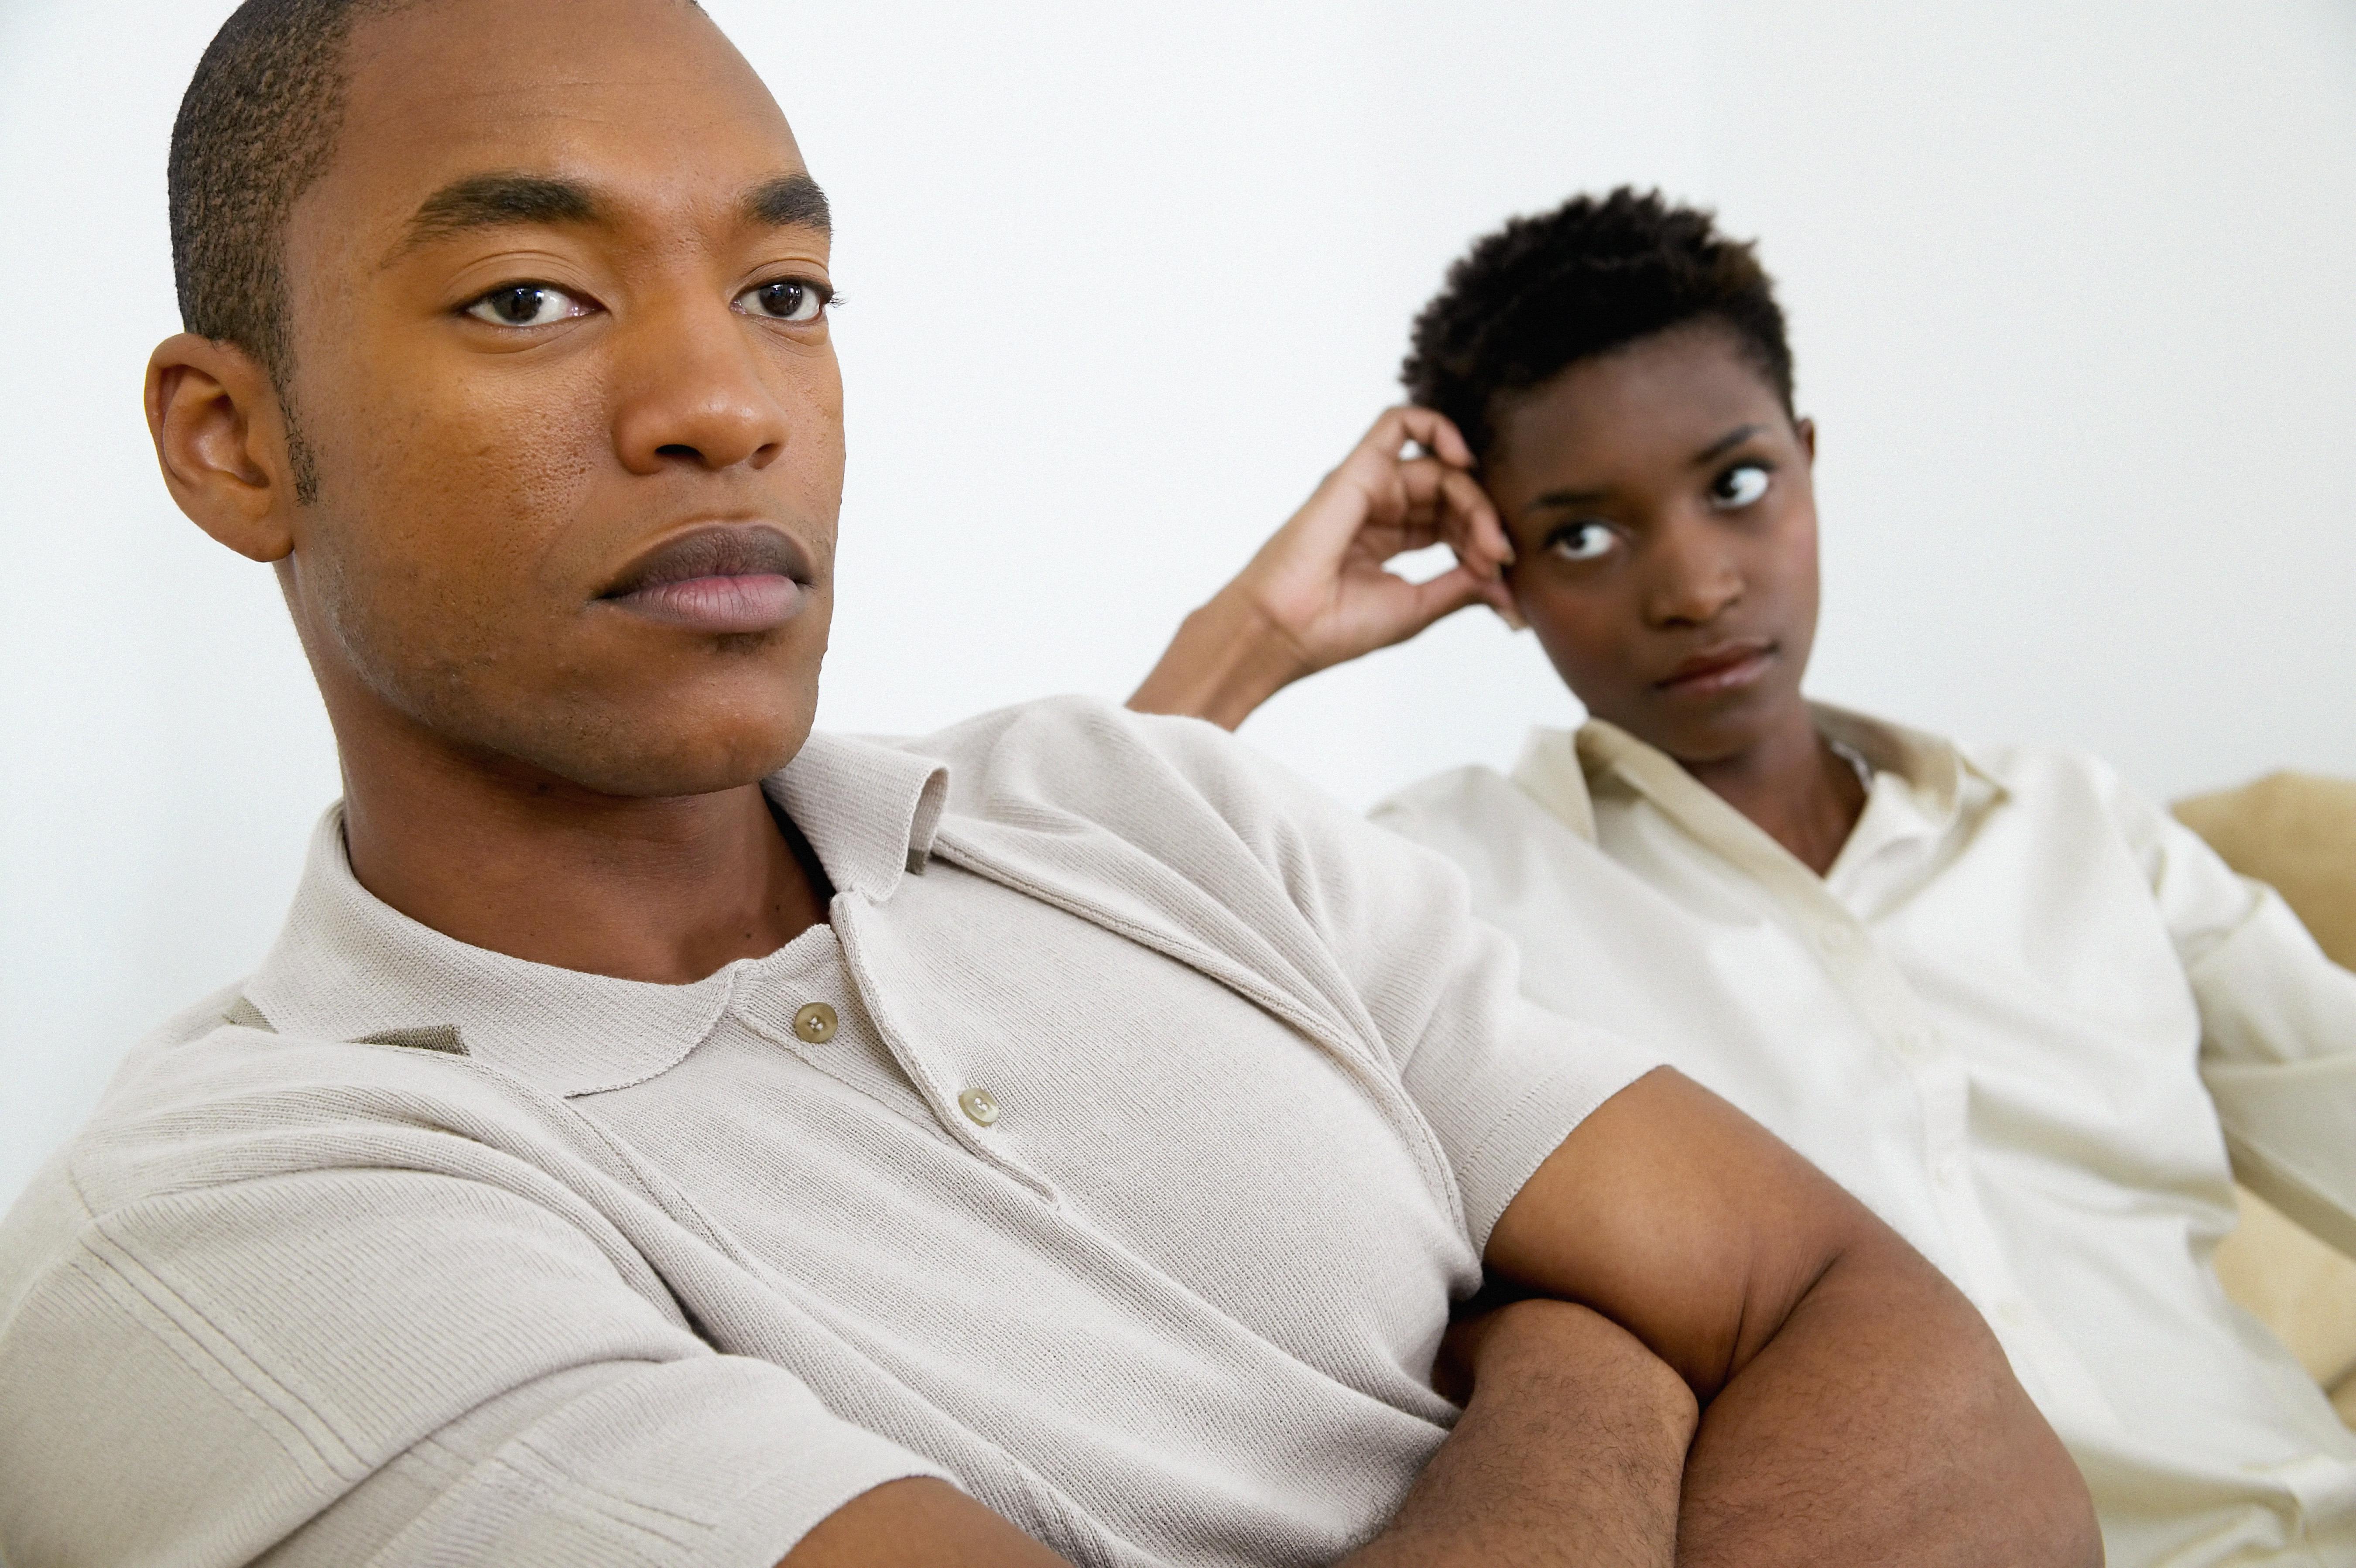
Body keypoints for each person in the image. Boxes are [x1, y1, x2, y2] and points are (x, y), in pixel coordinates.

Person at [0, 6, 2100, 1567]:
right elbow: (1747, 1311)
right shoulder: (230, 1224)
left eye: (785, 292)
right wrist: (1590, 1352)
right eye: (530, 296)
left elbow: (1859, 1304)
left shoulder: (1141, 804)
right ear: (232, 443)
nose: (724, 401)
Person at [1132, 187, 2356, 1567]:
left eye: (1737, 484)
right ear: (1501, 568)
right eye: (1586, 533)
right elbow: (1073, 960)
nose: (1697, 585)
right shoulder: (1439, 886)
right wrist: (1260, 631)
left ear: (1809, 462)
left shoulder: (2081, 829)